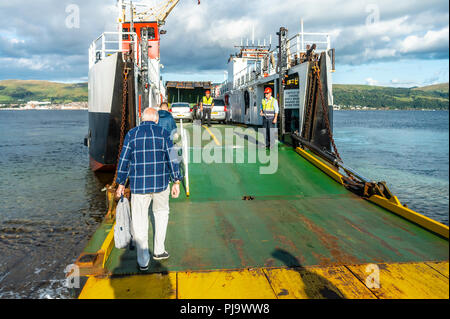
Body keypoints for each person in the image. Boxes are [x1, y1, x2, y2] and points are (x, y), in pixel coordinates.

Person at [115, 108, 182, 271]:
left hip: (139, 186)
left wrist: (121, 183)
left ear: (141, 119)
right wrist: (176, 181)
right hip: (161, 184)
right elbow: (172, 158)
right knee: (161, 215)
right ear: (157, 120)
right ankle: (159, 251)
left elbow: (124, 160)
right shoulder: (164, 133)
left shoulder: (132, 134)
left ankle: (143, 261)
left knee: (139, 221)